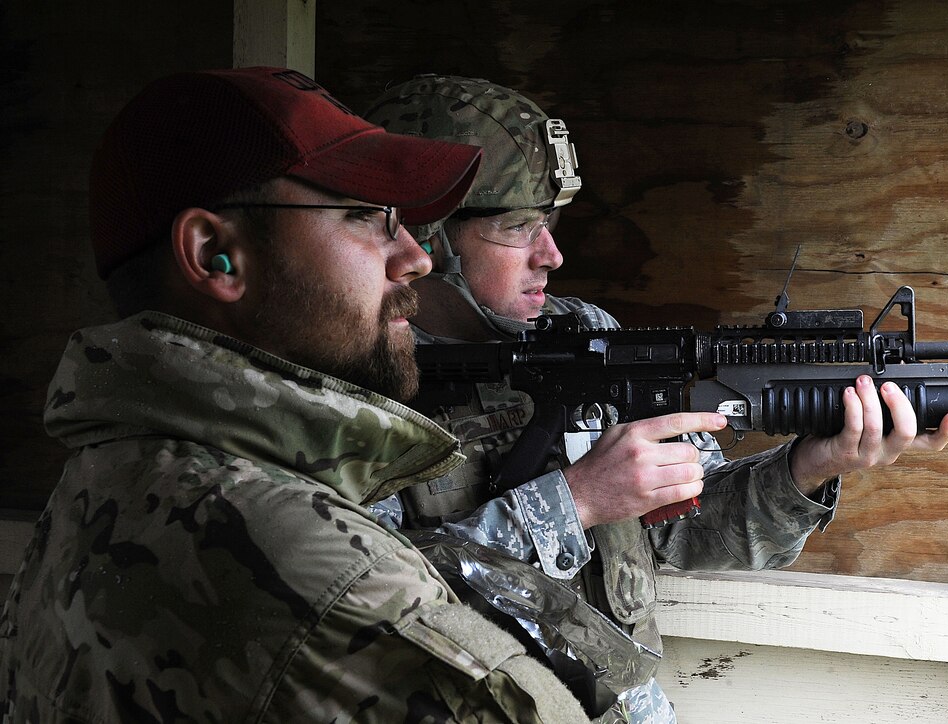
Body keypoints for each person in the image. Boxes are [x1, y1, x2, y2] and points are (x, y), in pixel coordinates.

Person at [0, 67, 597, 723]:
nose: (414, 258)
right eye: (365, 216)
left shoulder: (94, 485)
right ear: (215, 255)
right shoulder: (330, 577)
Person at [363, 75, 948, 722]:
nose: (552, 254)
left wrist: (810, 466)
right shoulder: (355, 385)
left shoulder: (587, 335)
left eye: (552, 222)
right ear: (424, 235)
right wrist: (578, 500)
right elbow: (366, 609)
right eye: (517, 227)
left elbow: (688, 529)